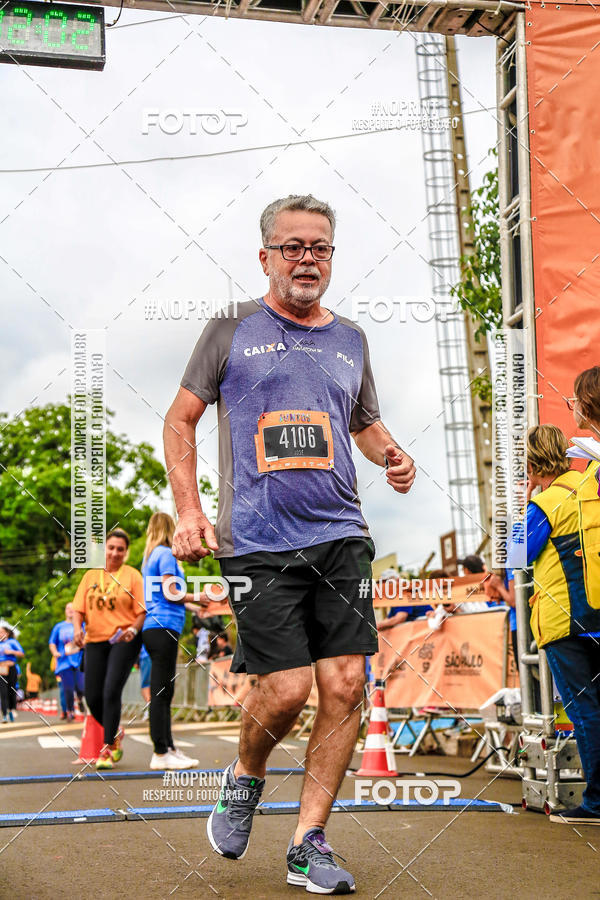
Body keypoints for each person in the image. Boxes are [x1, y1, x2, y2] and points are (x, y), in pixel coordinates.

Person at [164, 193, 416, 892]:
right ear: (266, 256)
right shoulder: (230, 330)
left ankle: (310, 841)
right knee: (282, 692)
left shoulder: (351, 340)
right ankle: (245, 775)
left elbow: (365, 424)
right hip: (256, 541)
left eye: (321, 248)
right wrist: (189, 512)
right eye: (294, 246)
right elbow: (179, 422)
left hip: (341, 534)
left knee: (344, 685)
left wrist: (392, 454)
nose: (308, 259)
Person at [507, 423, 600, 825]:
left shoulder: (544, 505)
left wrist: (524, 502)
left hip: (566, 621)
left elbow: (516, 554)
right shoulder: (590, 484)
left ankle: (596, 803)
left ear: (531, 464)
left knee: (586, 713)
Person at [72, 528, 146, 770]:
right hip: (94, 640)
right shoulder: (90, 576)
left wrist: (133, 631)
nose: (115, 553)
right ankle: (115, 732)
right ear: (104, 548)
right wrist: (77, 629)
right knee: (92, 697)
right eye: (111, 547)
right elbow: (78, 609)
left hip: (124, 640)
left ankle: (107, 749)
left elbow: (141, 611)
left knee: (110, 690)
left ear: (126, 552)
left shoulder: (132, 576)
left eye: (120, 549)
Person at [142, 511, 203, 770]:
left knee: (164, 690)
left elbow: (164, 595)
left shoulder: (150, 557)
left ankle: (168, 747)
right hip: (162, 625)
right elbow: (171, 591)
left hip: (160, 624)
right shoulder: (166, 554)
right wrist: (199, 595)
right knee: (161, 691)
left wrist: (197, 608)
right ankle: (160, 751)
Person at [49, 603, 84, 722]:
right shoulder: (59, 627)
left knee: (81, 687)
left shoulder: (81, 624)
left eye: (73, 608)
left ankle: (79, 700)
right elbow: (52, 642)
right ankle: (70, 711)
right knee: (68, 688)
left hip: (79, 661)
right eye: (68, 608)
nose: (70, 610)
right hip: (64, 662)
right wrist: (54, 652)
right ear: (65, 611)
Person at [138, 645, 151, 721]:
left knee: (146, 684)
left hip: (147, 656)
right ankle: (151, 708)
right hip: (161, 654)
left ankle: (150, 708)